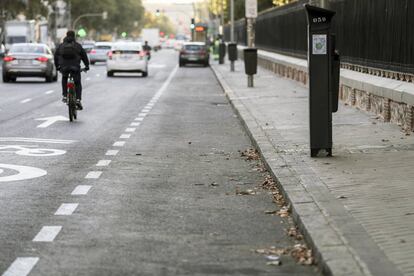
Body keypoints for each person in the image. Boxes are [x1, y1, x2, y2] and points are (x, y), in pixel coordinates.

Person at [54, 30, 89, 110]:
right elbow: (84, 56)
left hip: (64, 67)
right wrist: (87, 66)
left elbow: (56, 56)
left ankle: (65, 96)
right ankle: (78, 100)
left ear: (66, 36)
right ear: (74, 36)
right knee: (77, 83)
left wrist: (57, 67)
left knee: (64, 78)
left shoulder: (61, 46)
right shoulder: (77, 45)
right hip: (75, 67)